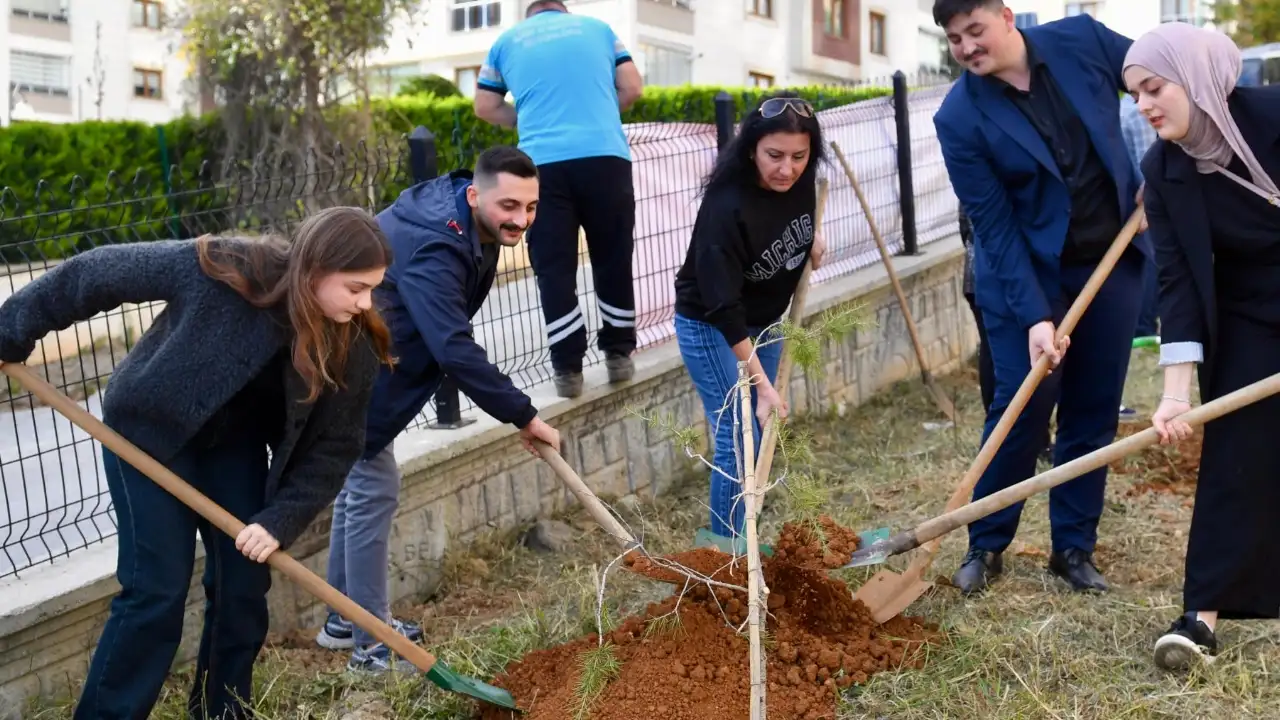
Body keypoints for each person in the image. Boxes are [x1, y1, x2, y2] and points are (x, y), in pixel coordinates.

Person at [0, 208, 393, 719]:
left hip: (234, 446)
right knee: (155, 590)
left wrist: (278, 521)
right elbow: (94, 273)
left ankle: (222, 710)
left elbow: (336, 446)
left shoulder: (351, 339)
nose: (365, 304)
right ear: (314, 270)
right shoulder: (228, 268)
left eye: (372, 290)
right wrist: (10, 332)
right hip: (147, 436)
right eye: (356, 288)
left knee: (244, 587)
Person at [932, 0, 1151, 595]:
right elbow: (994, 227)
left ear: (1006, 17)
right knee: (1023, 406)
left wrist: (1164, 164)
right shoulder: (959, 118)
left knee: (1093, 406)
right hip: (1026, 278)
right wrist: (1035, 316)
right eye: (955, 40)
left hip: (1110, 261)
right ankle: (986, 541)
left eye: (975, 30)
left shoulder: (1083, 40)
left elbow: (1158, 79)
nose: (968, 47)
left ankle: (1072, 548)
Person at [318, 146, 563, 672]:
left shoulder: (471, 221)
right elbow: (452, 345)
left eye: (531, 207)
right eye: (510, 207)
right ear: (475, 195)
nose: (521, 219)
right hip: (355, 376)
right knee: (371, 491)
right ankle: (372, 643)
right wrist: (523, 414)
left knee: (359, 489)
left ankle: (345, 620)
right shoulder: (438, 244)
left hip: (374, 370)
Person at [1124, 22, 1280, 671]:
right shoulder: (1164, 169)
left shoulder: (1273, 116)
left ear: (1193, 76)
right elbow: (1179, 283)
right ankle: (1202, 618)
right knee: (1236, 452)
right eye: (1134, 94)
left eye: (1154, 88)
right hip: (1247, 313)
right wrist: (1174, 395)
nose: (1143, 105)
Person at [673, 92, 827, 546]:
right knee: (738, 434)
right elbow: (724, 309)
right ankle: (726, 557)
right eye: (774, 156)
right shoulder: (726, 208)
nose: (788, 169)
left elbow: (791, 220)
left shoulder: (799, 180)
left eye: (800, 157)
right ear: (751, 149)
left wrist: (812, 239)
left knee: (761, 431)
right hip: (713, 326)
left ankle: (745, 535)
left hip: (767, 319)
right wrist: (762, 384)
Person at [474, 0, 646, 399]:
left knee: (554, 267)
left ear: (530, 12)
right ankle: (619, 355)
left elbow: (485, 106)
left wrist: (524, 117)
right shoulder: (600, 29)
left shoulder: (506, 41)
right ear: (563, 9)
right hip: (606, 158)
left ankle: (568, 370)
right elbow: (633, 86)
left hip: (543, 167)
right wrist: (602, 110)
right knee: (613, 258)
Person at [1120, 92, 1162, 345]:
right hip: (1142, 204)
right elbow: (1149, 162)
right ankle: (1144, 328)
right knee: (1152, 262)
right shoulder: (1138, 113)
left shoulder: (1122, 107)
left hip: (1128, 202)